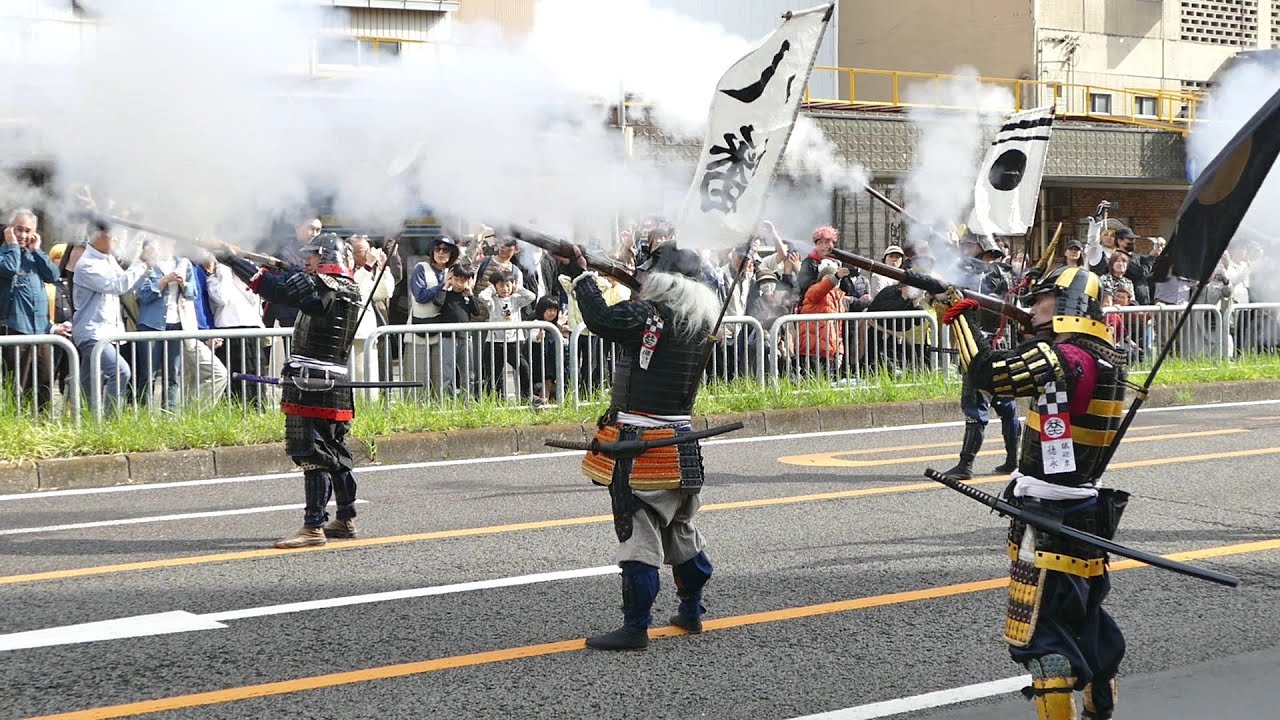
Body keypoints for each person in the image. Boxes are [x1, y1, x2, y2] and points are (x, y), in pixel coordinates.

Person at [936, 265, 1129, 720]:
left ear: (1065, 305)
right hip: (1083, 507)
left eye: (1041, 300)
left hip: (1048, 513)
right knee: (1085, 627)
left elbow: (990, 376)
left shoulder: (1064, 356)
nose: (1031, 307)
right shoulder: (1101, 355)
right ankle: (1099, 712)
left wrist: (958, 314)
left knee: (1044, 644)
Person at [561, 243, 719, 651]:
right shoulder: (702, 321)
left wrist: (581, 277)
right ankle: (691, 610)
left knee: (638, 536)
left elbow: (601, 319)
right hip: (680, 445)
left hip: (641, 446)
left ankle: (635, 627)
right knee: (682, 533)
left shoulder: (650, 313)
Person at [217, 233, 363, 548]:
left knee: (312, 453)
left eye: (312, 255)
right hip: (333, 382)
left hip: (311, 384)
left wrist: (231, 259)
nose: (307, 259)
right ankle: (346, 516)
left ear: (325, 256)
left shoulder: (324, 287)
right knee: (335, 453)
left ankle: (313, 527)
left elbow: (277, 289)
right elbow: (295, 283)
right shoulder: (347, 288)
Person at [943, 235, 1020, 478]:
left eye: (969, 246)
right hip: (1004, 347)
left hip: (980, 349)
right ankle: (1012, 460)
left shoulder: (980, 272)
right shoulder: (1006, 272)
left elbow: (965, 298)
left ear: (981, 248)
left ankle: (965, 465)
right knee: (1007, 406)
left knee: (975, 406)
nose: (965, 250)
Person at [73, 222, 156, 415]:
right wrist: (141, 262)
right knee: (121, 372)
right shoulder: (87, 264)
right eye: (112, 234)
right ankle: (111, 422)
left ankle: (86, 421)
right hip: (92, 333)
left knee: (88, 381)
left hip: (105, 333)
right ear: (96, 236)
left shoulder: (108, 260)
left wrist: (147, 269)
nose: (117, 238)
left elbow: (127, 286)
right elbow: (117, 286)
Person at [1, 209, 59, 413]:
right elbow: (8, 268)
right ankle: (17, 427)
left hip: (40, 332)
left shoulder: (34, 256)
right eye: (18, 229)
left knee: (42, 385)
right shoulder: (5, 254)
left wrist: (37, 251)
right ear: (9, 229)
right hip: (15, 331)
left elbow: (53, 275)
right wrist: (12, 246)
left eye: (27, 231)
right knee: (17, 387)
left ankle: (43, 426)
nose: (23, 235)